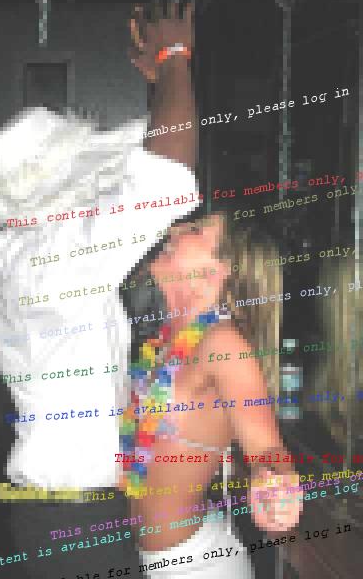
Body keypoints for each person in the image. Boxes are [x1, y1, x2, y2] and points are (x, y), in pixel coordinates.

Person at [0, 2, 199, 577]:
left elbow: (147, 178)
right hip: (75, 516)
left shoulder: (28, 248)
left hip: (60, 507)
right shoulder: (57, 255)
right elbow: (167, 178)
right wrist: (174, 58)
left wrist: (163, 83)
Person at [120, 212, 302, 577]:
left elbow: (266, 448)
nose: (173, 228)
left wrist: (275, 483)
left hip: (197, 566)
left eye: (194, 229)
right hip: (148, 560)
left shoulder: (222, 343)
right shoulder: (162, 341)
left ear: (223, 268)